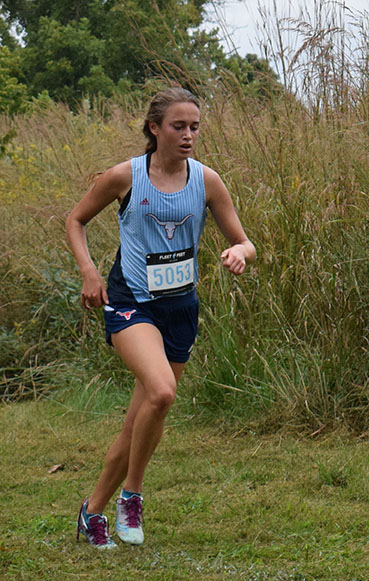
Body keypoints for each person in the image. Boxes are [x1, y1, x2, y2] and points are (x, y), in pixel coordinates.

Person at [66, 87, 256, 549]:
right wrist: (90, 272)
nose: (189, 135)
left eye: (194, 127)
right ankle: (132, 496)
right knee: (163, 391)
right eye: (179, 126)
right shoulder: (124, 176)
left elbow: (246, 241)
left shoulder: (207, 181)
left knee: (141, 418)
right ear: (155, 128)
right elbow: (75, 220)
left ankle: (91, 514)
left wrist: (238, 252)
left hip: (180, 308)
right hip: (132, 300)